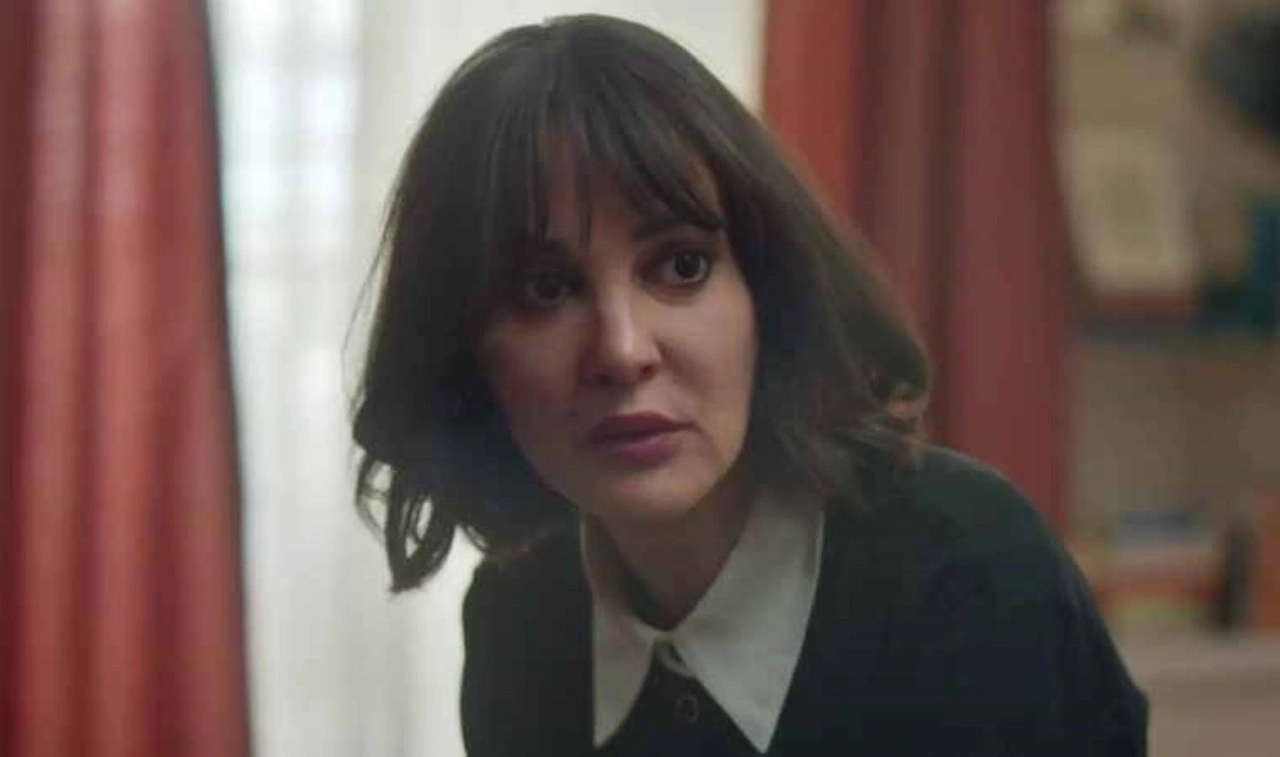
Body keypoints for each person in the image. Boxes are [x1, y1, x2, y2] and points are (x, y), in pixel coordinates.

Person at [352, 14, 1148, 757]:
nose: (623, 350)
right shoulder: (520, 620)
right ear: (465, 354)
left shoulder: (971, 574)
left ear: (768, 291)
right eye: (546, 289)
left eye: (680, 266)